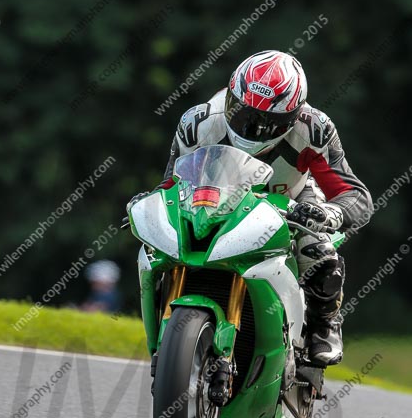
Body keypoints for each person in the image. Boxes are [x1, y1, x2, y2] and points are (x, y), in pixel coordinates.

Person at [132, 50, 373, 366]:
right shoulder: (198, 123)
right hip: (215, 200)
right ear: (231, 95)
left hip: (292, 199)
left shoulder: (314, 130)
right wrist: (150, 204)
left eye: (266, 122)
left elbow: (355, 194)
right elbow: (171, 183)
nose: (250, 128)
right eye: (242, 113)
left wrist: (330, 214)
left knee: (320, 252)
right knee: (160, 244)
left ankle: (324, 323)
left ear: (292, 116)